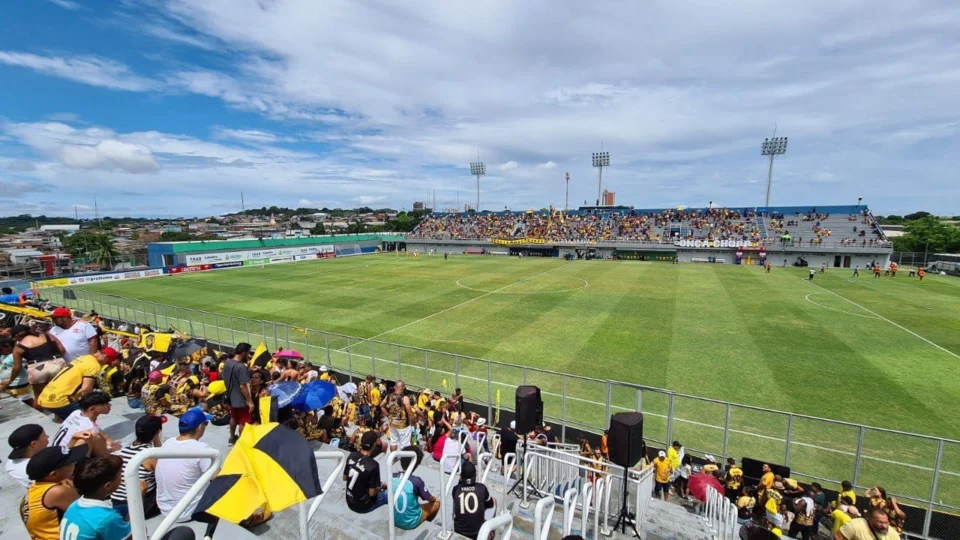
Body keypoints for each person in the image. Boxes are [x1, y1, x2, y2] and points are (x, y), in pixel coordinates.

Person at [155, 409, 215, 522]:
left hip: (165, 509)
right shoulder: (202, 449)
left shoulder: (168, 442)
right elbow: (218, 478)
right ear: (200, 427)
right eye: (205, 424)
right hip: (188, 511)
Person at [20, 445, 85, 540]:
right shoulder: (57, 492)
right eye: (70, 462)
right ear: (53, 474)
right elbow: (90, 515)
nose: (75, 463)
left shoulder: (36, 489)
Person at [60, 456, 131, 540]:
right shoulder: (107, 518)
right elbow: (134, 537)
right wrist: (137, 498)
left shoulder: (74, 505)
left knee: (123, 509)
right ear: (108, 486)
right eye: (120, 475)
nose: (122, 478)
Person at [37, 347, 118, 421]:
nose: (105, 364)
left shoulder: (85, 357)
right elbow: (86, 389)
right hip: (60, 400)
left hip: (44, 397)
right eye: (107, 362)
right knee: (89, 415)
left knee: (66, 418)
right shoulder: (94, 365)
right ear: (105, 357)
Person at [111, 415, 163, 519]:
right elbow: (164, 472)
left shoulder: (123, 451)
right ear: (157, 433)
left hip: (117, 501)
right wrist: (157, 440)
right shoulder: (149, 455)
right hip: (139, 504)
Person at [10, 324, 66, 408]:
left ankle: (40, 416)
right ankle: (59, 417)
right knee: (61, 392)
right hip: (57, 364)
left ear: (17, 335)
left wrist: (10, 380)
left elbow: (17, 368)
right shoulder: (48, 335)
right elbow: (62, 350)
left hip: (37, 368)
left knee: (38, 396)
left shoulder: (18, 347)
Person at [52, 391, 121, 457]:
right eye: (106, 404)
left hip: (58, 452)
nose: (110, 405)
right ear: (92, 409)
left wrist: (107, 439)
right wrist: (112, 449)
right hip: (68, 460)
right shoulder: (89, 428)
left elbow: (95, 428)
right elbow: (103, 453)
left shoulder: (76, 413)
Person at [392, 446, 440, 530]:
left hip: (394, 519)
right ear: (416, 464)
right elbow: (429, 498)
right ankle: (424, 521)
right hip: (411, 522)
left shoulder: (393, 476)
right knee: (437, 503)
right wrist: (434, 499)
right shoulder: (416, 481)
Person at [344, 431, 388, 514]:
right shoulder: (373, 465)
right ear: (374, 444)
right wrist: (382, 485)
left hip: (350, 501)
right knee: (389, 494)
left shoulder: (352, 455)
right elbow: (372, 493)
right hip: (363, 506)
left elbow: (345, 477)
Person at [452, 461, 495, 540]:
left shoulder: (455, 489)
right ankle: (491, 531)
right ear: (475, 475)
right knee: (493, 501)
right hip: (478, 534)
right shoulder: (482, 488)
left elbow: (459, 488)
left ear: (461, 476)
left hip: (459, 532)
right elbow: (491, 504)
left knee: (456, 500)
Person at [222, 343, 254, 444]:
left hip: (230, 396)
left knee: (234, 418)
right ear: (244, 353)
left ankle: (232, 437)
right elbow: (243, 386)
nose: (249, 355)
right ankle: (241, 442)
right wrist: (249, 401)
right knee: (243, 421)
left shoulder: (227, 362)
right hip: (240, 399)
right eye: (248, 353)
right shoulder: (241, 367)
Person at [6, 424, 50, 489]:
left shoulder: (10, 464)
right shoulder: (40, 469)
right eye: (45, 436)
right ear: (33, 444)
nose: (48, 437)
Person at [381, 380, 416, 451]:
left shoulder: (389, 396)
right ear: (403, 388)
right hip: (403, 425)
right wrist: (413, 423)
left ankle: (393, 459)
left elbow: (381, 405)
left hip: (392, 423)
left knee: (393, 441)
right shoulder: (405, 398)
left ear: (395, 387)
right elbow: (409, 413)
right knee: (405, 443)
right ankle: (404, 460)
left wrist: (388, 415)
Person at [835, 506, 900, 540]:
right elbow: (838, 537)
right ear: (870, 520)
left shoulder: (894, 535)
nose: (884, 526)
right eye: (880, 522)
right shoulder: (855, 526)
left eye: (886, 522)